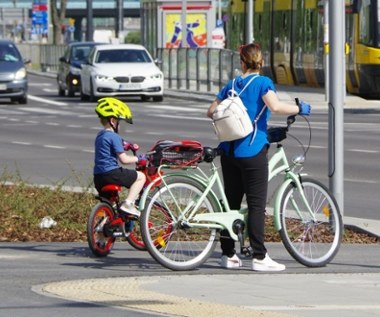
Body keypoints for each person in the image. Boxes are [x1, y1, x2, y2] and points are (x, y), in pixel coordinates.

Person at [207, 43, 311, 272]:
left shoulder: (231, 84)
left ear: (242, 62)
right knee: (256, 205)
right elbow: (274, 106)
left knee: (231, 203)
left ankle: (228, 254)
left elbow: (211, 111)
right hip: (252, 150)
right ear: (260, 62)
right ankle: (259, 256)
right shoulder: (263, 83)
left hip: (229, 150)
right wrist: (299, 107)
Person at [93, 97, 146, 218]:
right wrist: (139, 158)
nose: (119, 125)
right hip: (112, 174)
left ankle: (101, 233)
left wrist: (127, 145)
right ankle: (128, 204)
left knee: (108, 207)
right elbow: (124, 160)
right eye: (119, 122)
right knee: (141, 177)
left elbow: (113, 145)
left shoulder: (100, 135)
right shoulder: (114, 136)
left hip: (99, 177)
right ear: (112, 120)